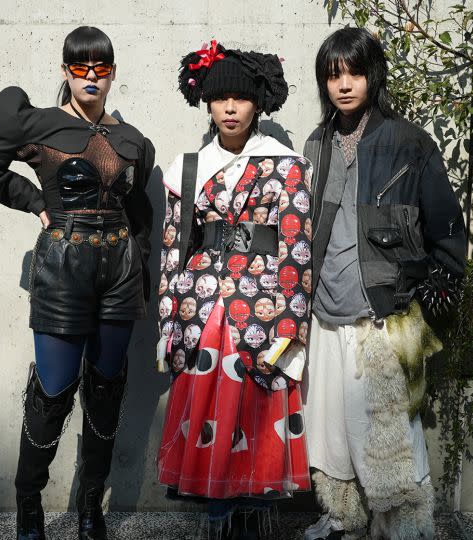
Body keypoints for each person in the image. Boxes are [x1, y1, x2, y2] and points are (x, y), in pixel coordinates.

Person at [0, 26, 154, 540]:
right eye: (80, 66)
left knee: (107, 390)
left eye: (101, 67)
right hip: (62, 269)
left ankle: (91, 507)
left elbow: (140, 212)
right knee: (53, 391)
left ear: (113, 73)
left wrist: (147, 272)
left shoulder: (134, 141)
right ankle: (29, 505)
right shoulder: (39, 124)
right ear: (65, 70)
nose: (91, 76)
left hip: (121, 272)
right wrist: (35, 201)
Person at [300, 27, 466, 540]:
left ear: (373, 74)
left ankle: (406, 528)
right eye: (333, 75)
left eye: (353, 72)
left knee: (390, 438)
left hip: (381, 317)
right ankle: (342, 518)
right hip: (323, 314)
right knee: (329, 434)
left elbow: (446, 229)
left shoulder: (409, 143)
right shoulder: (317, 144)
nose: (344, 84)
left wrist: (427, 290)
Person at [155, 41, 312, 539]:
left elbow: (297, 246)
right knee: (210, 416)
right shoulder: (188, 169)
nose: (229, 108)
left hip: (263, 306)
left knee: (256, 410)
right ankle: (216, 525)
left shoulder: (287, 166)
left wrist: (289, 323)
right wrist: (168, 320)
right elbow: (171, 248)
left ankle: (257, 524)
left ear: (258, 103)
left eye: (240, 98)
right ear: (205, 102)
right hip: (202, 307)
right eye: (220, 99)